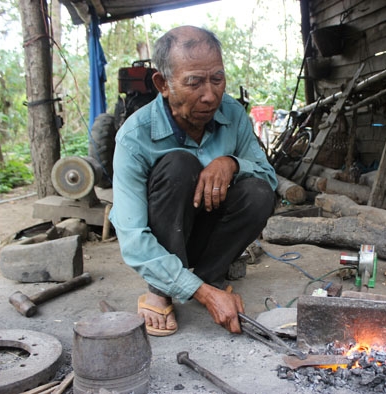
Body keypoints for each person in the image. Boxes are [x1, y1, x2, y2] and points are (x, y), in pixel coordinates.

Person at [109, 26, 277, 336]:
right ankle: (161, 287)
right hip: (164, 236)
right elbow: (132, 236)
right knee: (178, 165)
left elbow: (269, 176)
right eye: (194, 82)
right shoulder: (134, 136)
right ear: (163, 83)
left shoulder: (233, 114)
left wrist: (231, 163)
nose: (210, 95)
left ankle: (210, 276)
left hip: (206, 236)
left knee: (259, 191)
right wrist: (200, 294)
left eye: (217, 79)